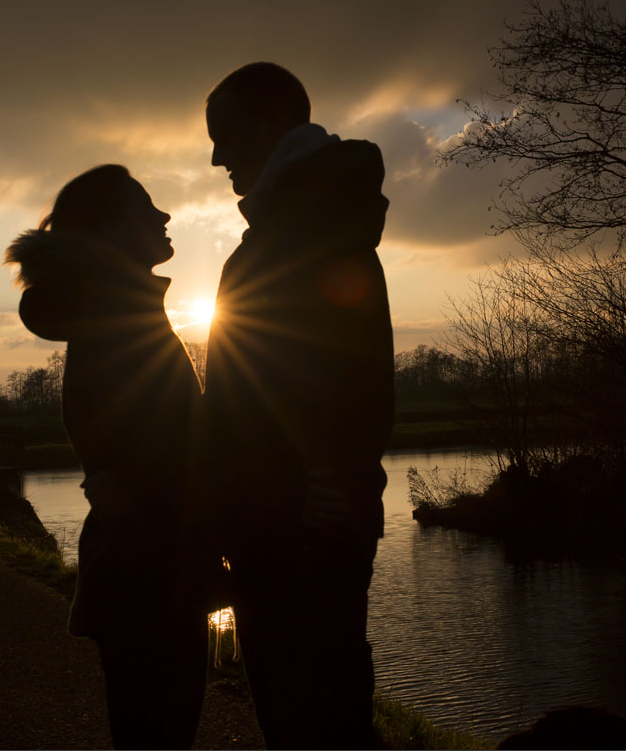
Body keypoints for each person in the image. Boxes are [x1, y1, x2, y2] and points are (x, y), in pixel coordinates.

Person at [200, 62, 395, 749]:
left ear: (269, 122)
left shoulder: (304, 240)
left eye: (223, 134)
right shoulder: (298, 235)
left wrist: (295, 495)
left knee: (310, 720)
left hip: (294, 539)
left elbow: (347, 392)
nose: (217, 155)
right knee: (316, 715)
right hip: (282, 530)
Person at [5, 164, 206, 749]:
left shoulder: (119, 315)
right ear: (110, 230)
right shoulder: (120, 324)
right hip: (151, 578)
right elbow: (157, 460)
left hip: (144, 573)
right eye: (145, 206)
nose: (163, 216)